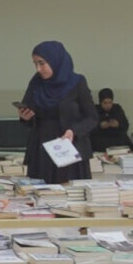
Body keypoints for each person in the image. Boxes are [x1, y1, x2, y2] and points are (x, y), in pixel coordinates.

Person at [18, 41, 98, 183]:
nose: (38, 69)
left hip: (70, 148)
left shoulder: (77, 82)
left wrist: (74, 131)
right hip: (42, 150)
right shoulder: (36, 83)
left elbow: (92, 117)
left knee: (71, 193)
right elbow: (30, 113)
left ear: (55, 60)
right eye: (35, 64)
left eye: (42, 63)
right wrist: (25, 117)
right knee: (43, 193)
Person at [90, 88, 133, 153]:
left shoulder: (117, 109)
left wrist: (118, 124)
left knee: (124, 139)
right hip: (101, 138)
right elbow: (90, 127)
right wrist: (100, 126)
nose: (108, 105)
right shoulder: (95, 110)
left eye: (110, 102)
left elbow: (125, 125)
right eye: (105, 103)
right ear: (100, 102)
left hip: (117, 138)